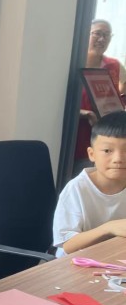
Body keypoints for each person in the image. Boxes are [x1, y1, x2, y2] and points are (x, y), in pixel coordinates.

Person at [53, 110, 126, 257]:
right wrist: (109, 228)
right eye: (107, 150)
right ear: (92, 154)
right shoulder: (77, 189)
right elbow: (68, 245)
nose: (118, 159)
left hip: (113, 257)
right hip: (75, 263)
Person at [75, 19, 126, 163]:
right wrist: (85, 113)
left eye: (107, 35)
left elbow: (123, 87)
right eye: (97, 33)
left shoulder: (114, 65)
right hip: (77, 132)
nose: (102, 39)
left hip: (106, 133)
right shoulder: (73, 62)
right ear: (86, 35)